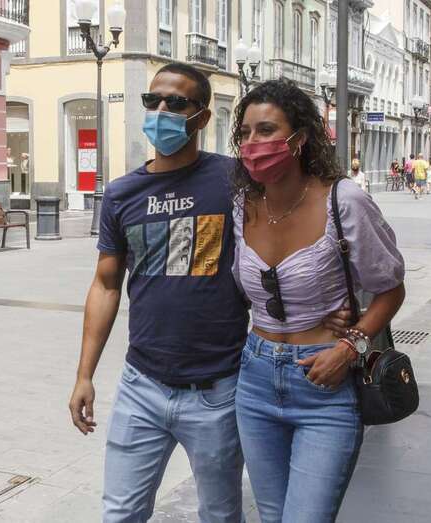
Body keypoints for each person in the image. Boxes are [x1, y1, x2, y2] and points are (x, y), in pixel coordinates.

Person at [66, 63, 355, 522]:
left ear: (201, 117)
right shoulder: (122, 194)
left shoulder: (238, 182)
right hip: (141, 384)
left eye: (176, 103)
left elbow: (295, 235)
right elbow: (105, 285)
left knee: (220, 514)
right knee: (119, 513)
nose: (161, 110)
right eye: (153, 101)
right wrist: (85, 375)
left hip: (219, 389)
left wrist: (327, 312)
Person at [230, 79, 406, 523]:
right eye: (245, 133)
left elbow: (390, 286)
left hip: (325, 383)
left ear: (300, 137)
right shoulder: (242, 205)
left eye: (266, 130)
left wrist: (351, 347)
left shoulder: (343, 200)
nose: (253, 143)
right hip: (254, 378)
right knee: (272, 516)